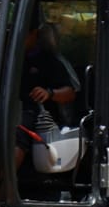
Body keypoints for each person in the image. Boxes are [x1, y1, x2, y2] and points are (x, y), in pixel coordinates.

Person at [14, 22, 81, 171]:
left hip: (36, 111)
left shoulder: (50, 61)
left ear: (34, 35)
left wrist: (49, 93)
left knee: (19, 129)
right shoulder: (12, 60)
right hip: (10, 107)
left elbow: (69, 94)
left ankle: (3, 182)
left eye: (22, 35)